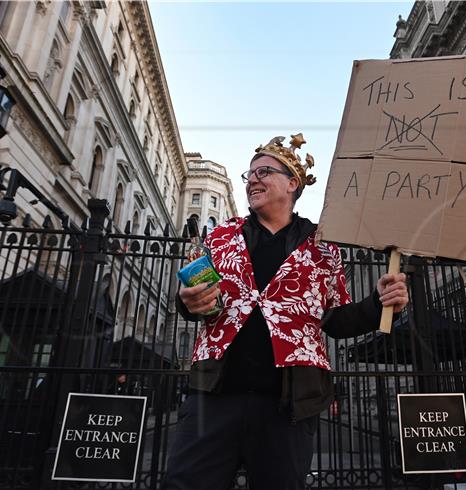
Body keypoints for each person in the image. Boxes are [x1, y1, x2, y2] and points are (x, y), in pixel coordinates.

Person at [161, 133, 408, 490]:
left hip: (287, 406)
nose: (253, 180)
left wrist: (379, 304)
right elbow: (196, 301)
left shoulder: (324, 249)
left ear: (292, 183)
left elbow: (336, 320)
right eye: (249, 175)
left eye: (263, 171)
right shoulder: (219, 238)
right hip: (213, 399)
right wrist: (188, 302)